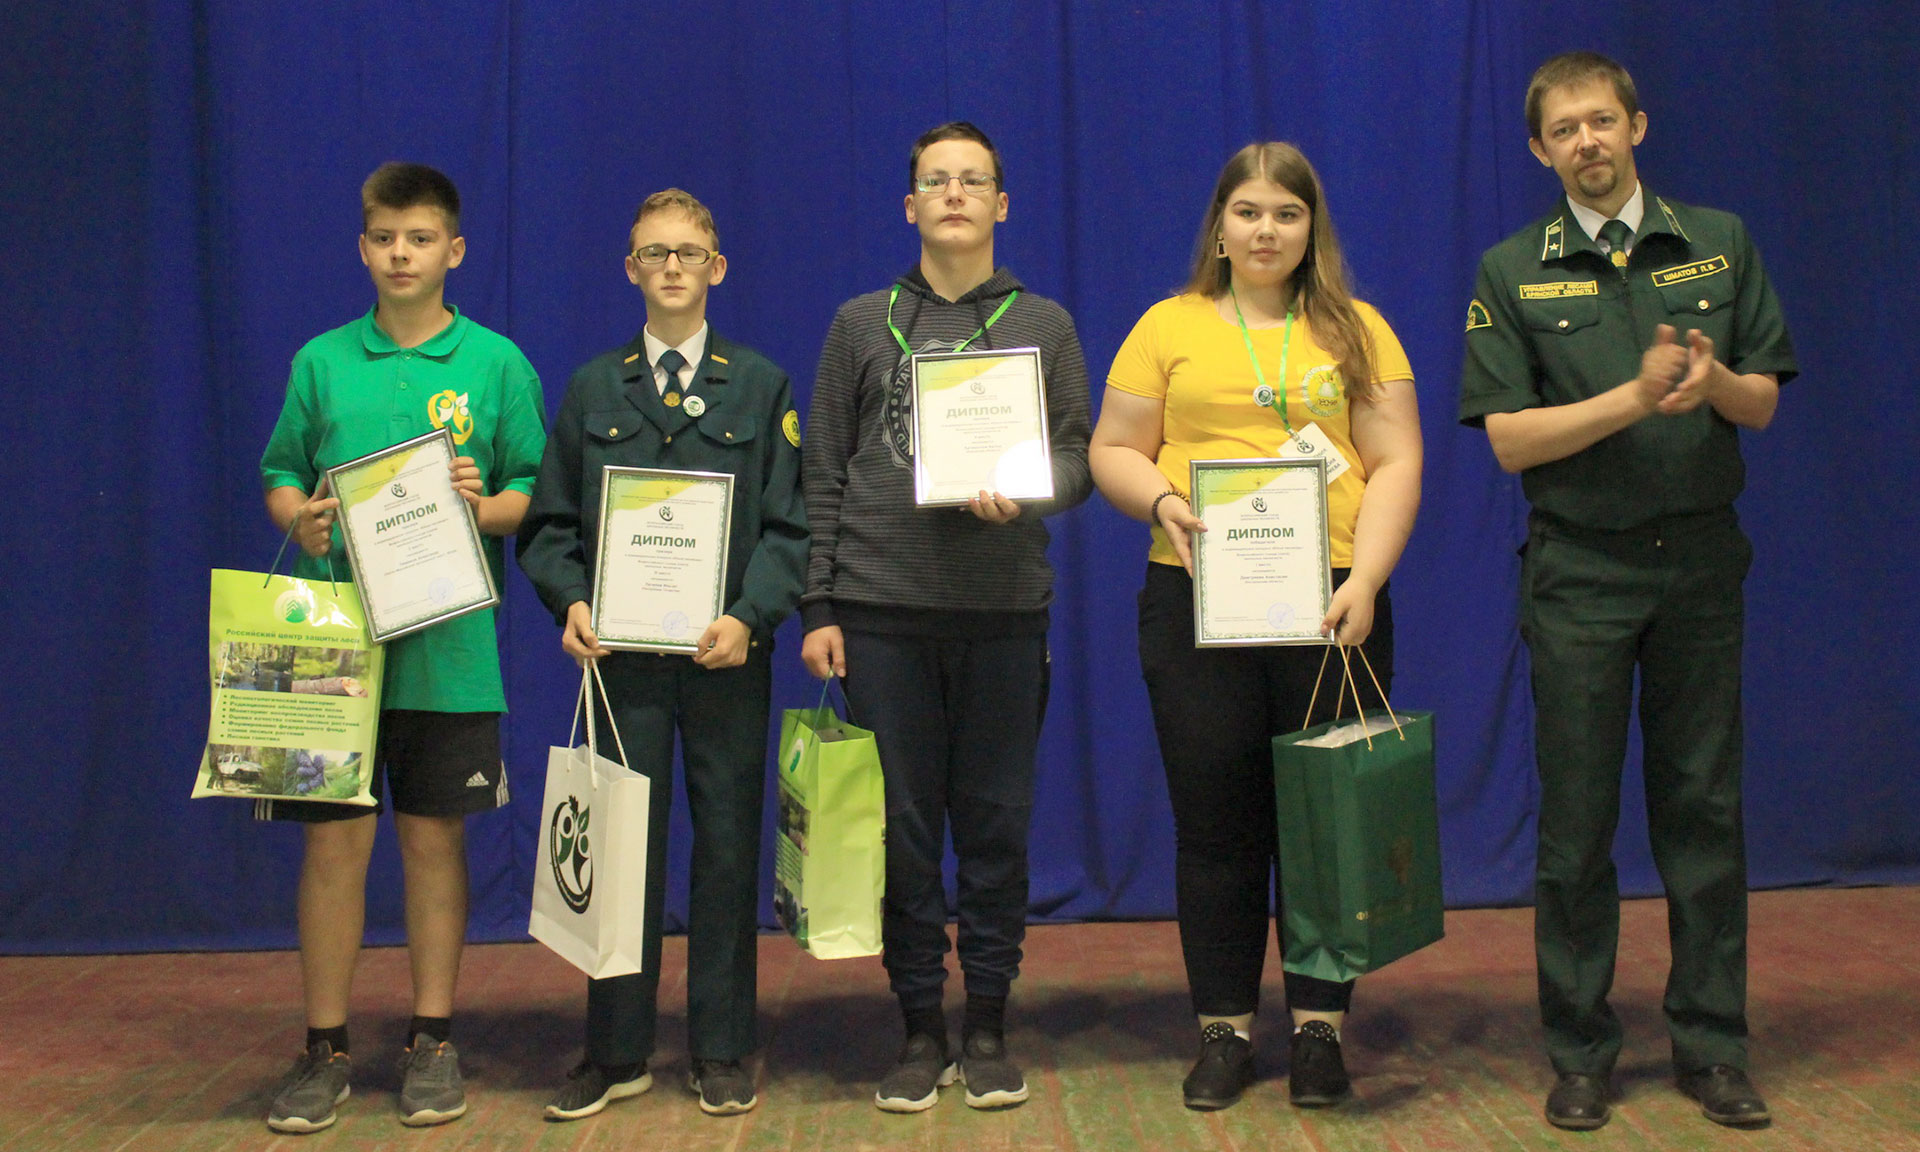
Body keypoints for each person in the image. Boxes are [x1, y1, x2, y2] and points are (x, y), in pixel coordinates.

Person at [1458, 52, 1796, 1131]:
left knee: (1705, 810)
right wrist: (1634, 397)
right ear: (1539, 150)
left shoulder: (1719, 242)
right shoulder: (1512, 269)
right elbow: (1510, 442)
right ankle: (1580, 1051)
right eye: (1564, 131)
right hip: (1581, 573)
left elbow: (1761, 403)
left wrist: (1711, 380)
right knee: (1576, 821)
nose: (1587, 143)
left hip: (1699, 563)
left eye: (1601, 121)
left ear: (1637, 127)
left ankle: (1713, 1046)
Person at [1090, 142, 1422, 1111]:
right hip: (1197, 602)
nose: (1266, 229)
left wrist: (1369, 579)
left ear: (1311, 228)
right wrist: (1161, 501)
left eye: (1286, 212)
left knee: (1326, 825)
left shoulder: (1360, 329)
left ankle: (1320, 1031)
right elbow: (1112, 447)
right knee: (1216, 829)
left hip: (1333, 603)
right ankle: (1225, 1032)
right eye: (1248, 211)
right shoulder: (1168, 325)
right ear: (1220, 228)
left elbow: (1396, 460)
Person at [800, 121, 1092, 1113]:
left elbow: (1078, 456)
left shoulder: (1043, 324)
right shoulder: (860, 324)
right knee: (904, 832)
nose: (955, 194)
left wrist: (1031, 489)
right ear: (911, 205)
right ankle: (921, 1025)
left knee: (998, 828)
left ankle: (990, 1024)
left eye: (973, 180)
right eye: (936, 180)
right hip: (881, 612)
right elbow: (823, 473)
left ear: (1001, 204)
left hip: (1002, 612)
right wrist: (820, 604)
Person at [256, 161, 548, 1132]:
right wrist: (301, 519)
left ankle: (433, 1038)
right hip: (333, 649)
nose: (400, 254)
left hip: (449, 646)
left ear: (453, 250)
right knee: (334, 847)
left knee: (433, 841)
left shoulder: (496, 365)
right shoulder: (322, 362)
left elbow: (529, 492)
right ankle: (324, 1047)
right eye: (384, 238)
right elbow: (281, 474)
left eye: (419, 239)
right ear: (362, 247)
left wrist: (483, 503)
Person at [517, 189, 807, 1119]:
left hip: (726, 657)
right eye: (654, 253)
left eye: (688, 253)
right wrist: (570, 600)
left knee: (725, 849)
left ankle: (721, 1046)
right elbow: (549, 526)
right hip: (625, 662)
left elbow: (790, 528)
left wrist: (751, 616)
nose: (672, 267)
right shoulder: (594, 389)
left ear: (716, 268)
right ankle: (615, 1050)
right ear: (630, 269)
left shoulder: (758, 385)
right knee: (618, 847)